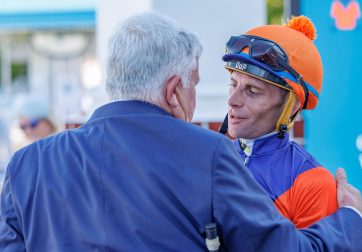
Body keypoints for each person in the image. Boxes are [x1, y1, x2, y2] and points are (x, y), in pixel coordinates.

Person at [0, 12, 361, 251]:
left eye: (250, 90)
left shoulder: (25, 165)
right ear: (174, 90)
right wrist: (351, 220)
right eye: (197, 84)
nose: (232, 100)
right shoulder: (209, 155)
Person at [220, 16, 339, 228]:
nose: (232, 100)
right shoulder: (213, 157)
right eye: (233, 84)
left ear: (291, 107)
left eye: (252, 91)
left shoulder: (313, 183)